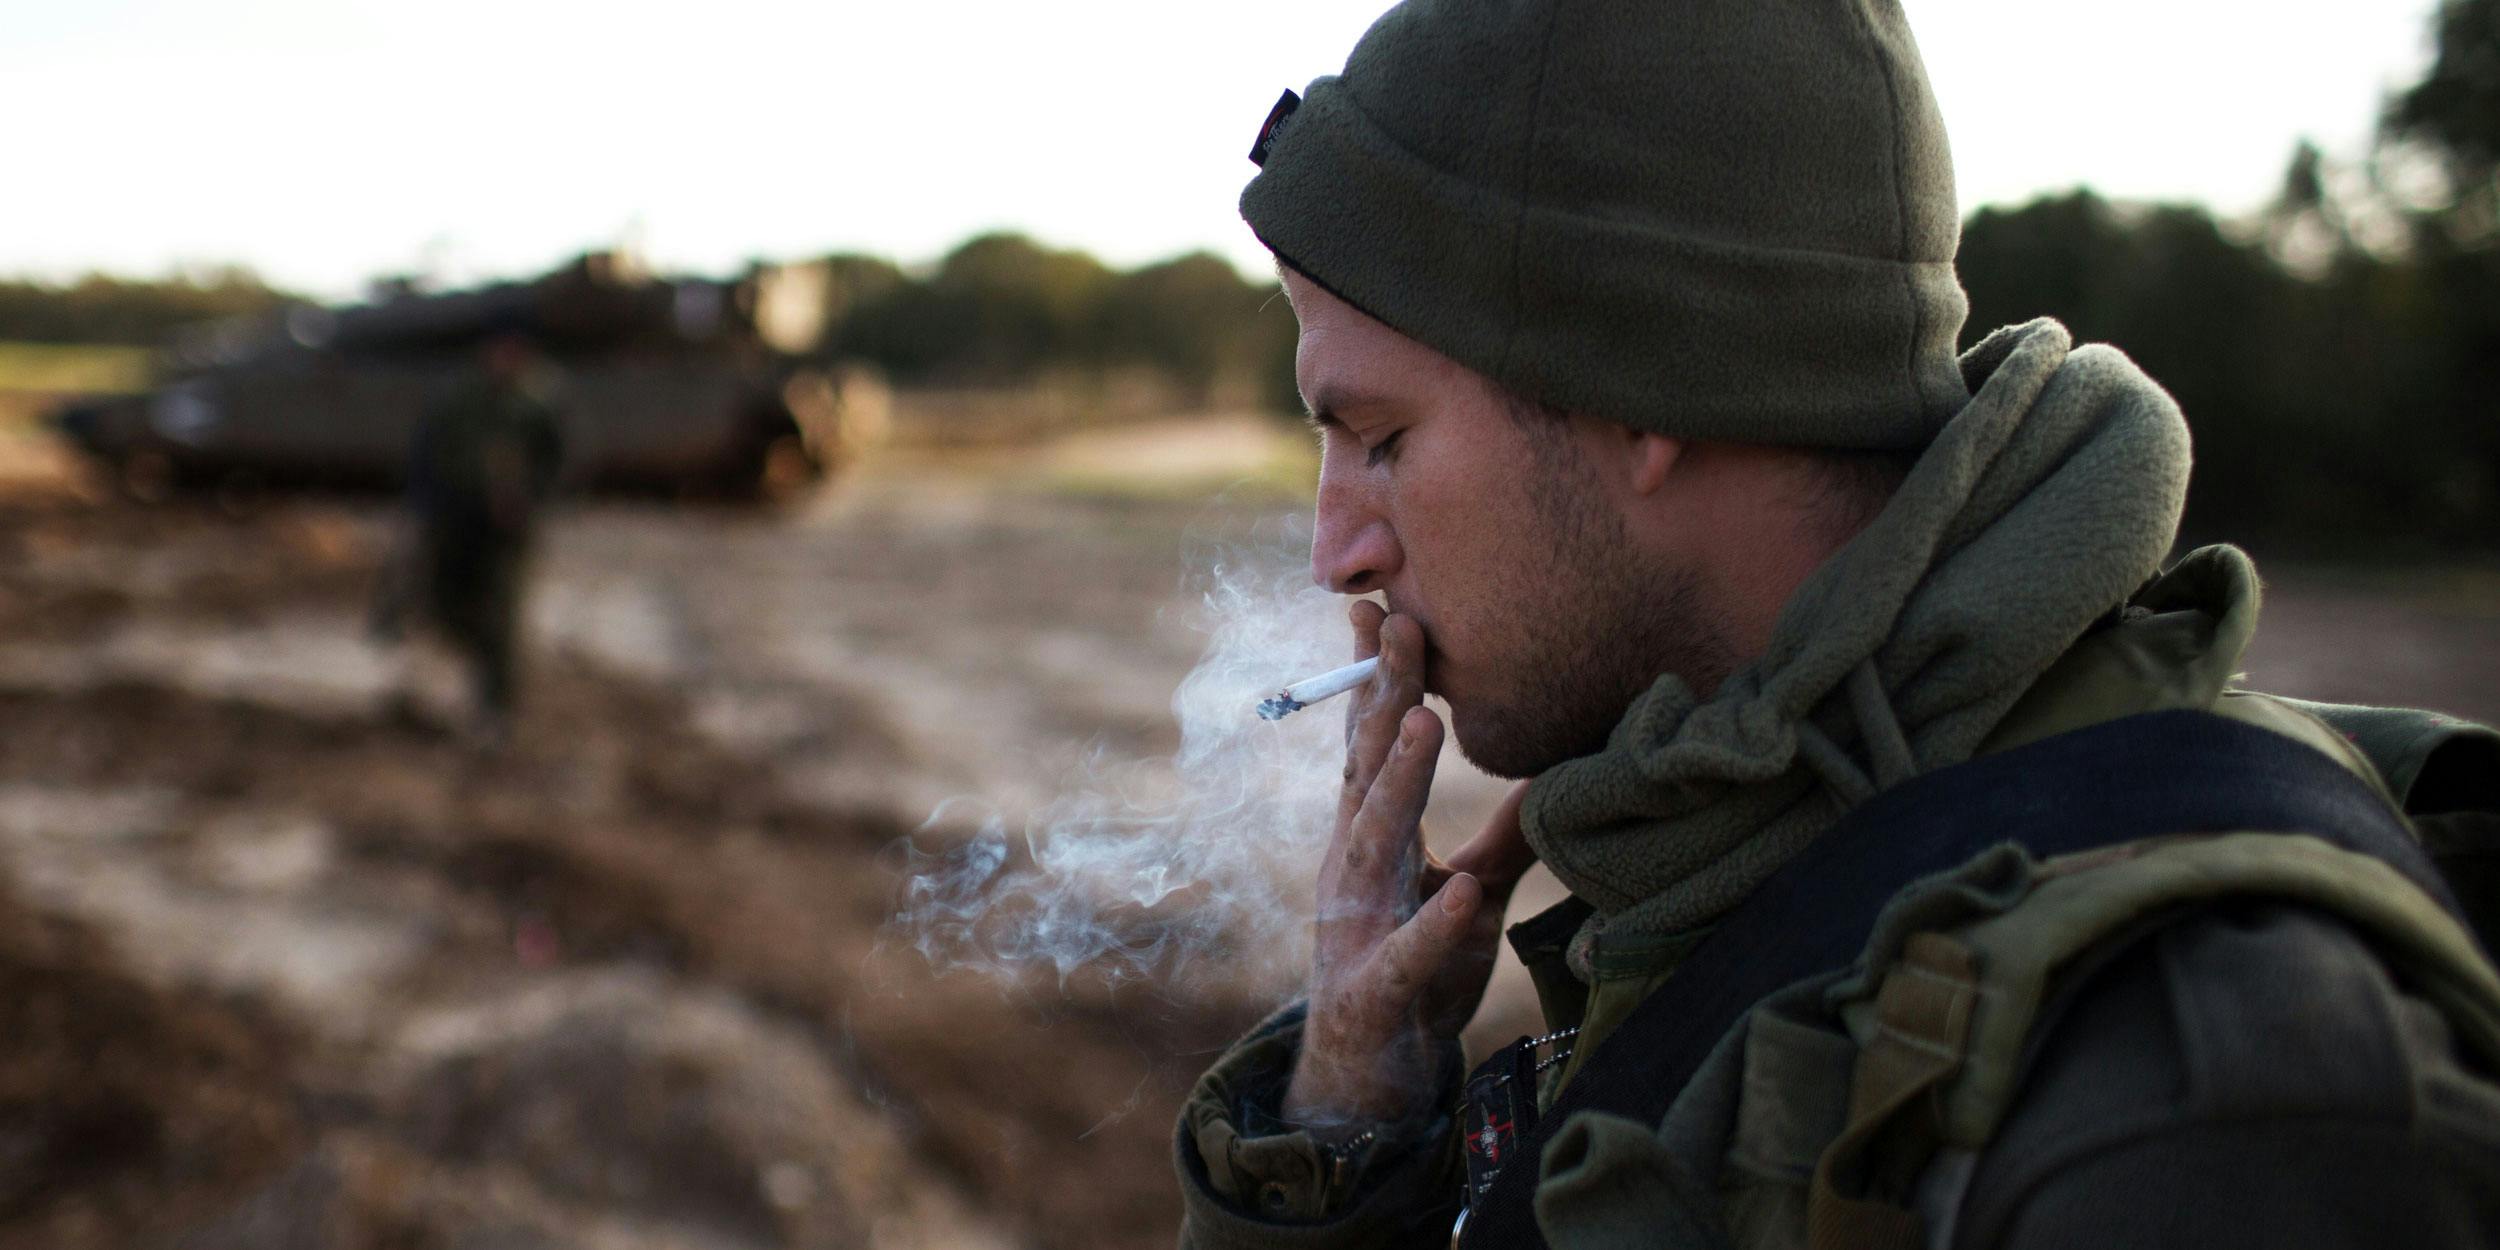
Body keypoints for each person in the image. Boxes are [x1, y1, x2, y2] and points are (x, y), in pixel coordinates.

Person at [1174, 1, 2500, 1246]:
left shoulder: (2196, 1103)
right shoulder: (1751, 860)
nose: (1332, 552)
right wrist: (1350, 1110)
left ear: (1640, 387)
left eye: (1383, 438)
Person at [386, 328, 565, 744]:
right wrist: (424, 508)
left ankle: (495, 710)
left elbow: (560, 459)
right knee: (446, 605)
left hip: (506, 530)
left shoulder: (537, 402)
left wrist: (531, 500)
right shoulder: (460, 397)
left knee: (499, 616)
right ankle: (463, 686)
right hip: (456, 522)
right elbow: (428, 452)